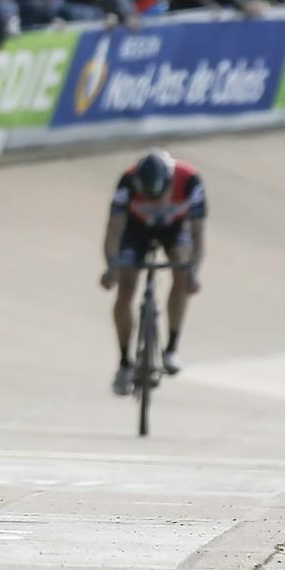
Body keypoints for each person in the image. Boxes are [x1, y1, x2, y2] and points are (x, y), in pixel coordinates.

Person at [101, 150, 206, 395]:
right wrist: (112, 266)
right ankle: (125, 363)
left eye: (159, 196)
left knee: (181, 267)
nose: (155, 203)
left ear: (171, 182)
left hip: (174, 228)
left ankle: (171, 348)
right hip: (136, 229)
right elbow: (113, 231)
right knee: (126, 286)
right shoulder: (127, 181)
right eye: (148, 198)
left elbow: (198, 235)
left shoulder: (190, 180)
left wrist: (193, 272)